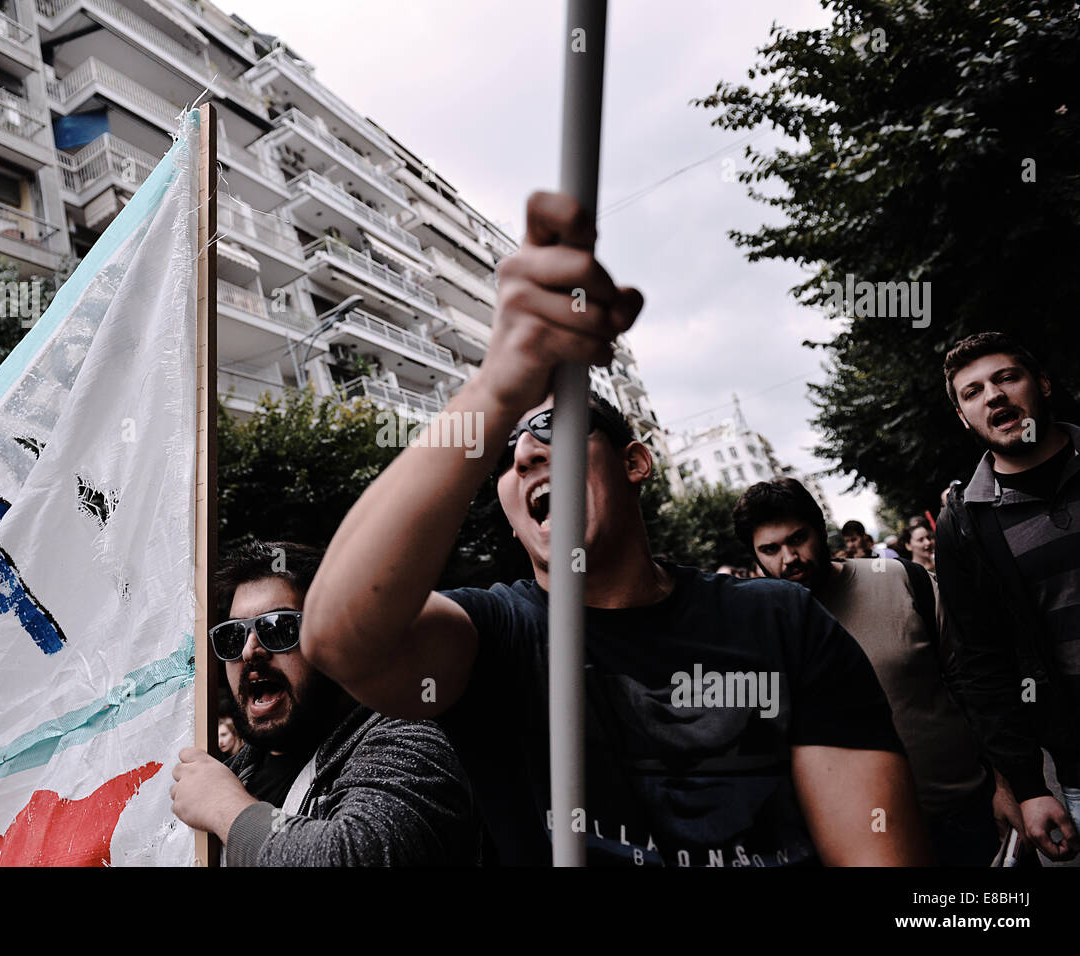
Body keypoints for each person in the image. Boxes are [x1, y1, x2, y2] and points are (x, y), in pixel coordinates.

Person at [301, 191, 928, 867]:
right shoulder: (495, 639)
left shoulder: (783, 621)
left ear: (634, 462)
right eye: (508, 448)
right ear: (514, 519)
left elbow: (876, 854)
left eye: (550, 425)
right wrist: (498, 387)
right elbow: (340, 642)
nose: (525, 453)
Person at [733, 478, 1008, 865]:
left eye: (798, 538)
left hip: (969, 814)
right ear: (755, 557)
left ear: (820, 530)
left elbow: (977, 684)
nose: (789, 557)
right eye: (770, 549)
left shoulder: (900, 581)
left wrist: (1009, 785)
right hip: (866, 845)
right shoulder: (758, 637)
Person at [169, 541, 477, 866]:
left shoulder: (409, 741)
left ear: (332, 638)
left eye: (278, 628)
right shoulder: (227, 774)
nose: (249, 650)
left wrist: (226, 810)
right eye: (233, 635)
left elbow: (363, 855)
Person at [936, 331, 1080, 862]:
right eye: (972, 392)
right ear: (963, 417)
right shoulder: (965, 527)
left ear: (1040, 384)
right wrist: (1027, 784)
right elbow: (983, 664)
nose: (992, 396)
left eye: (1005, 378)